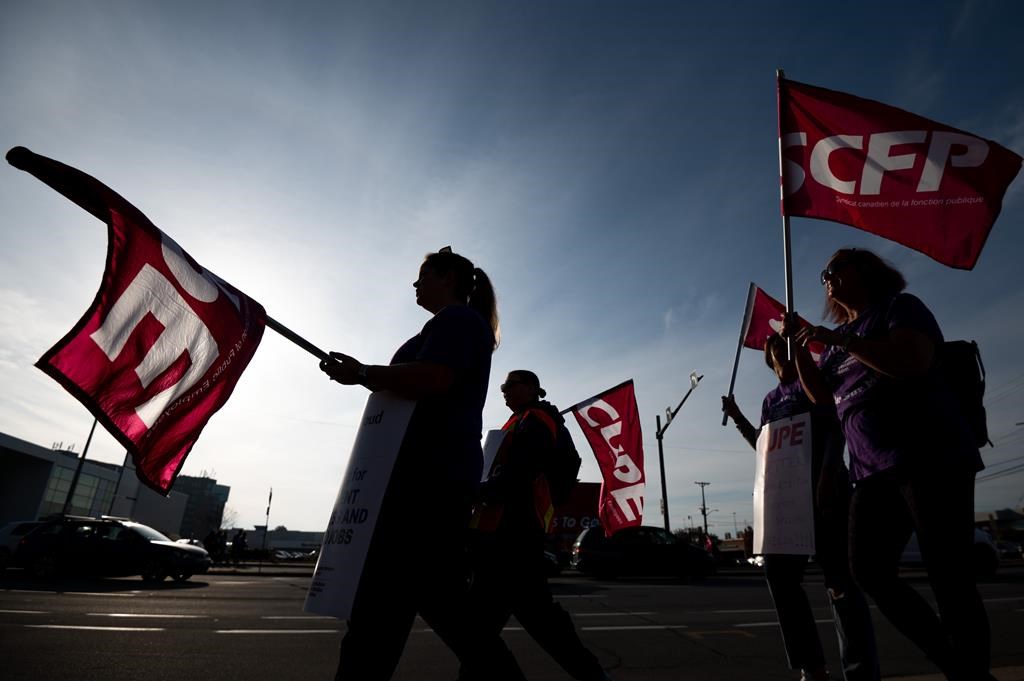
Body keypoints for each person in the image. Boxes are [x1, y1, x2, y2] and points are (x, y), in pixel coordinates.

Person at [783, 247, 992, 681]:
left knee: (949, 577)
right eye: (823, 273)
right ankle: (961, 668)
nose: (826, 277)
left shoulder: (899, 309)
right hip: (871, 472)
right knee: (869, 571)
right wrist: (801, 348)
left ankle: (969, 671)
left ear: (866, 271)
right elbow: (822, 396)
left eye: (834, 268)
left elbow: (910, 361)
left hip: (930, 458)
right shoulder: (839, 341)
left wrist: (841, 340)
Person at [319, 247, 524, 681]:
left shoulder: (456, 321)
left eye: (423, 276)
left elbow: (433, 378)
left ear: (448, 277)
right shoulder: (452, 325)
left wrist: (363, 373)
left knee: (387, 607)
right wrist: (364, 375)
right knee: (424, 602)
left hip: (425, 481)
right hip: (428, 478)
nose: (415, 285)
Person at [722, 335, 878, 681]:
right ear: (768, 358)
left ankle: (860, 670)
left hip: (826, 493)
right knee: (779, 576)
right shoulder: (770, 400)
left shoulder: (813, 381)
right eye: (776, 345)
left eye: (788, 343)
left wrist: (827, 473)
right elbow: (764, 446)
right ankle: (812, 667)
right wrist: (736, 417)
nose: (782, 347)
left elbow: (835, 428)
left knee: (839, 581)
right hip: (785, 500)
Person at [466, 370, 611, 681]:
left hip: (512, 532)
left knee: (522, 620)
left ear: (531, 388)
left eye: (510, 385)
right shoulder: (519, 421)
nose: (503, 391)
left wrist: (478, 491)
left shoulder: (536, 420)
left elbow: (518, 474)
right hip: (501, 531)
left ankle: (594, 676)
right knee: (485, 626)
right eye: (502, 387)